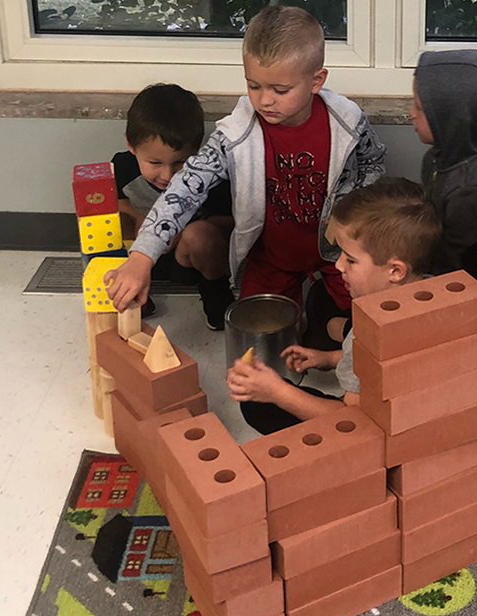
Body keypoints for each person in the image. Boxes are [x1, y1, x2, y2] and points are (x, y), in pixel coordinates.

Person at [104, 6, 386, 343]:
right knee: (259, 341)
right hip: (271, 258)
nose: (265, 100)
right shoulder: (234, 134)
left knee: (365, 331)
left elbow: (373, 165)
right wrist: (141, 256)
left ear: (316, 81)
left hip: (336, 254)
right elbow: (184, 189)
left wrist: (353, 216)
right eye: (254, 85)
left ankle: (320, 311)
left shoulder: (348, 122)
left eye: (280, 90)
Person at [226, 177, 441, 435]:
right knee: (320, 295)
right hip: (415, 413)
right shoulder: (435, 290)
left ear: (395, 270)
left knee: (257, 405)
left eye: (350, 260)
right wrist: (328, 358)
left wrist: (277, 392)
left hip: (379, 431)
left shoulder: (369, 332)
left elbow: (359, 423)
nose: (339, 266)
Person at [112, 83, 234, 325]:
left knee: (200, 234)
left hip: (188, 261)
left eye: (180, 163)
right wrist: (137, 219)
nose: (167, 176)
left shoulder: (209, 176)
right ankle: (129, 293)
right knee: (109, 219)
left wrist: (173, 233)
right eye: (154, 162)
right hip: (141, 262)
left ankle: (215, 289)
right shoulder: (122, 167)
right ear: (130, 145)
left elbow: (230, 221)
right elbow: (116, 203)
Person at [410, 49, 477, 279]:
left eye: (420, 108)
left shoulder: (470, 193)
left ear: (452, 119)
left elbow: (456, 272)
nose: (411, 113)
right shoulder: (437, 159)